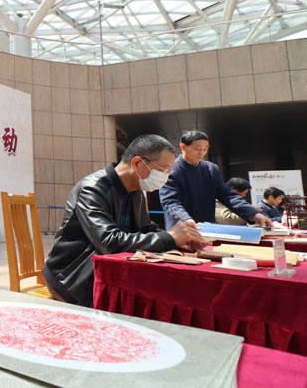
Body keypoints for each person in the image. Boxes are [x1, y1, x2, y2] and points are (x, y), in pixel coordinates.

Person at [43, 134, 207, 307]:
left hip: (108, 272)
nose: (165, 176)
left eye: (168, 171)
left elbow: (145, 228)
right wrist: (170, 237)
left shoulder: (136, 190)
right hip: (72, 279)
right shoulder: (92, 189)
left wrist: (178, 240)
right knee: (150, 303)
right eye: (163, 169)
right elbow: (109, 242)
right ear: (137, 163)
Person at [159, 131, 271, 230]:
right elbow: (170, 202)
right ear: (183, 146)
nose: (201, 153)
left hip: (208, 227)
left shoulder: (210, 169)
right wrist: (186, 219)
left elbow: (227, 195)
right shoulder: (171, 169)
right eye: (197, 149)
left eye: (205, 149)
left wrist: (254, 214)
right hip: (182, 228)